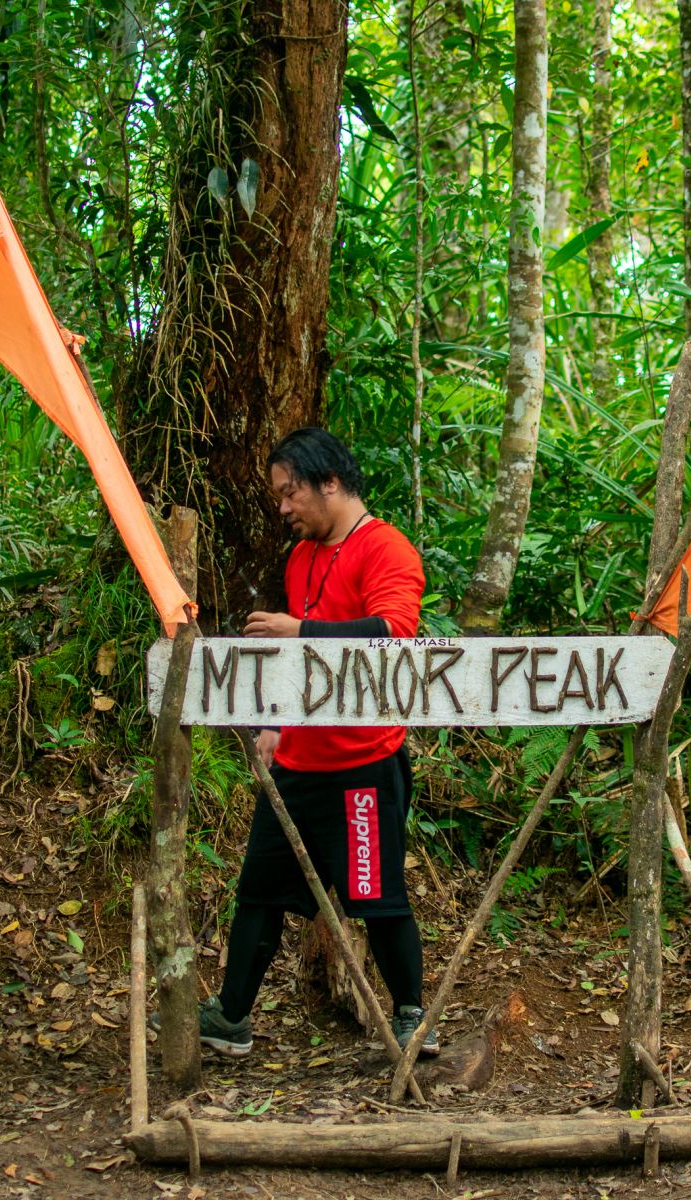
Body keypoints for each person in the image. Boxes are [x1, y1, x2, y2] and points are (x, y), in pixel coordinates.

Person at [197, 427, 438, 1059]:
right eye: (278, 495)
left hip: (364, 763)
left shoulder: (386, 549)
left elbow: (393, 632)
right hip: (298, 764)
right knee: (260, 893)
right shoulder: (300, 558)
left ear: (329, 482)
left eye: (290, 492)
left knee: (377, 897)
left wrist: (301, 627)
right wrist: (272, 723)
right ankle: (231, 1018)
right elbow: (294, 666)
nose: (282, 507)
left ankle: (413, 1017)